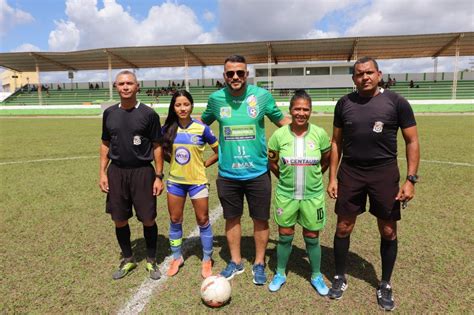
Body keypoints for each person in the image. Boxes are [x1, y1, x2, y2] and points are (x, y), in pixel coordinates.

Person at [326, 57, 420, 311]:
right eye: (359, 74)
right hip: (351, 172)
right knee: (344, 226)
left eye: (369, 72)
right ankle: (339, 276)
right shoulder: (344, 103)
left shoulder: (396, 102)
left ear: (379, 74)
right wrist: (333, 176)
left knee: (388, 230)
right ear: (354, 78)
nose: (364, 77)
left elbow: (412, 140)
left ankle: (385, 283)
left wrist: (410, 180)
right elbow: (336, 142)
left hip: (384, 173)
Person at [201, 54, 291, 285]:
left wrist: (307, 130)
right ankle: (235, 261)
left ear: (246, 74)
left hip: (258, 172)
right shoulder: (215, 100)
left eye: (240, 72)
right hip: (228, 174)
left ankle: (259, 263)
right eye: (230, 73)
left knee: (260, 219)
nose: (235, 77)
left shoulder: (261, 97)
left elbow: (282, 122)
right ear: (224, 76)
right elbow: (200, 127)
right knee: (232, 218)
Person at [99, 70, 164, 281]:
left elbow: (157, 146)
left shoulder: (149, 114)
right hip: (116, 172)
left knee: (148, 218)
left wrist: (158, 176)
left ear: (137, 87)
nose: (125, 87)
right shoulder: (109, 113)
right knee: (118, 219)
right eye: (121, 84)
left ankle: (151, 260)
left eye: (129, 83)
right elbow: (105, 144)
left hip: (142, 172)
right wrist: (102, 172)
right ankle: (128, 259)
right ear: (116, 87)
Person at [267, 90, 331, 296]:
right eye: (297, 109)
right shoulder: (279, 135)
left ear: (310, 111)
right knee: (285, 235)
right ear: (290, 110)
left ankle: (316, 275)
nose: (301, 113)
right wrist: (284, 178)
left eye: (305, 109)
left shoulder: (319, 134)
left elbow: (327, 158)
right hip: (286, 195)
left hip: (313, 196)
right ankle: (280, 273)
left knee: (312, 236)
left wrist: (316, 175)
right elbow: (272, 161)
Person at [161, 90, 219, 279]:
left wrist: (204, 164)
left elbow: (219, 151)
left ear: (191, 106)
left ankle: (207, 259)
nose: (182, 108)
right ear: (173, 107)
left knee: (203, 220)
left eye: (186, 104)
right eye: (178, 105)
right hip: (176, 182)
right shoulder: (167, 129)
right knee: (175, 219)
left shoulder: (202, 128)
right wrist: (174, 164)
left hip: (197, 182)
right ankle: (177, 257)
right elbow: (161, 151)